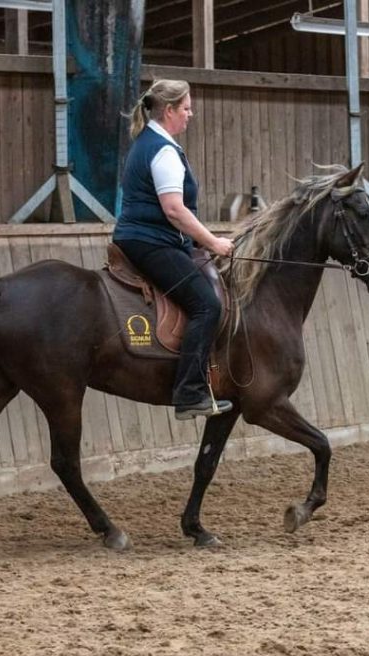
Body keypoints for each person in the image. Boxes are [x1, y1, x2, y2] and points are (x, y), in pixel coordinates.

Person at [113, 79, 235, 420]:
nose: (190, 114)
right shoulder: (163, 150)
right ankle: (189, 393)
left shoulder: (149, 142)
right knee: (206, 305)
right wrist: (213, 242)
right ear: (169, 111)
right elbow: (174, 210)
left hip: (148, 237)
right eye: (186, 109)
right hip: (149, 242)